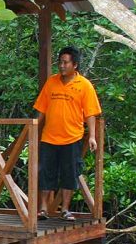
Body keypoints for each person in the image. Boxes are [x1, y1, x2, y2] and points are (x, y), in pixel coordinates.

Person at [32, 46, 101, 220]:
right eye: (60, 62)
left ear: (75, 65)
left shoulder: (84, 85)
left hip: (72, 137)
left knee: (69, 173)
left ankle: (65, 209)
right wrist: (32, 129)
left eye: (65, 62)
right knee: (46, 172)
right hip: (49, 137)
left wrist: (92, 136)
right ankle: (43, 209)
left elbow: (91, 113)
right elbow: (41, 109)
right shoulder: (51, 82)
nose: (61, 66)